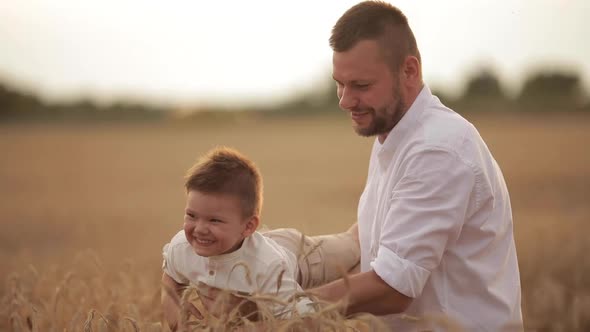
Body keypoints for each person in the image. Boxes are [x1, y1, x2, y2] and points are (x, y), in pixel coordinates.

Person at [308, 1, 523, 331]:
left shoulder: (438, 149)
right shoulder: (396, 132)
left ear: (409, 70)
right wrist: (286, 258)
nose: (345, 100)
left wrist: (285, 309)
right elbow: (378, 237)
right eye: (340, 83)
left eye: (361, 86)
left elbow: (394, 288)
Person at [160, 146, 359, 330]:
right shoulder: (181, 247)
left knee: (353, 246)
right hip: (248, 242)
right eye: (192, 216)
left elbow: (301, 320)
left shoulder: (268, 265)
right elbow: (170, 275)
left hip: (301, 255)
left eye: (214, 220)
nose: (199, 229)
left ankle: (377, 216)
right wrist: (173, 310)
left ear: (248, 226)